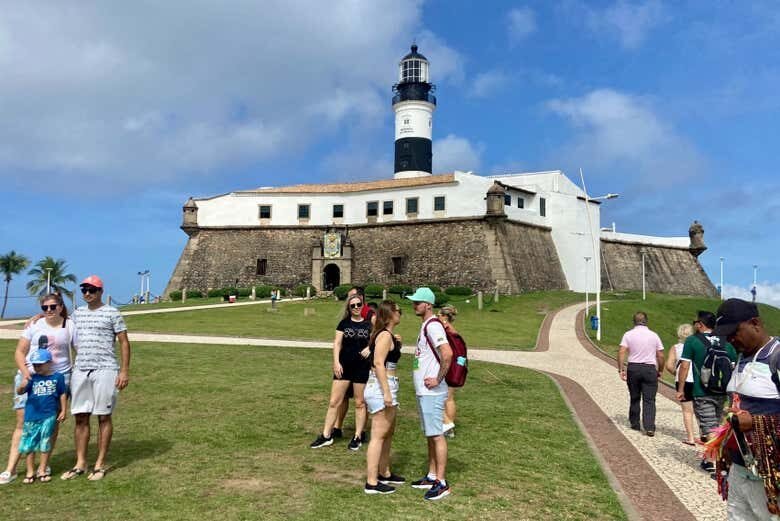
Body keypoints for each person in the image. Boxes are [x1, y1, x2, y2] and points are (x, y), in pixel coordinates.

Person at [711, 298, 780, 519]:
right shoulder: (741, 358)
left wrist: (757, 422)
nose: (730, 339)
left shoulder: (776, 357)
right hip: (741, 470)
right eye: (726, 335)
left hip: (772, 476)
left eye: (734, 332)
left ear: (755, 323)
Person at [0, 293, 76, 485]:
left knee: (51, 423)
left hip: (57, 378)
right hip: (30, 376)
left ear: (60, 306)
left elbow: (79, 348)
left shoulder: (70, 324)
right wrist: (26, 373)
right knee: (22, 422)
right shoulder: (35, 325)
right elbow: (19, 351)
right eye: (45, 308)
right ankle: (11, 468)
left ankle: (43, 466)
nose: (49, 310)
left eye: (52, 306)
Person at [61, 275, 131, 481]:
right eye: (84, 290)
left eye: (92, 290)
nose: (87, 294)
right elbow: (59, 323)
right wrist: (36, 318)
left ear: (100, 292)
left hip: (106, 369)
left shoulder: (112, 312)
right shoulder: (77, 314)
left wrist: (124, 371)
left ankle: (100, 463)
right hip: (81, 370)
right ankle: (80, 463)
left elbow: (124, 342)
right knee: (80, 417)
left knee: (103, 416)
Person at [677, 310, 737, 473]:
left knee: (709, 428)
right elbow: (733, 367)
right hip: (722, 392)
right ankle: (708, 457)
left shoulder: (692, 341)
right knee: (714, 426)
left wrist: (681, 389)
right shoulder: (727, 343)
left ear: (700, 324)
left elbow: (684, 365)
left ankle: (716, 463)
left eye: (695, 321)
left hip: (702, 391)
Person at [407, 287, 453, 501]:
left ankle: (441, 482)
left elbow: (447, 354)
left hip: (432, 391)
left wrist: (438, 379)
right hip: (424, 391)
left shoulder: (433, 326)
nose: (414, 305)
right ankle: (432, 474)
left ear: (428, 305)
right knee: (430, 435)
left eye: (417, 302)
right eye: (413, 302)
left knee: (436, 435)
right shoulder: (426, 325)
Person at [310, 293, 371, 450]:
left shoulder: (368, 325)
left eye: (359, 304)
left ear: (363, 305)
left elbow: (377, 339)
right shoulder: (343, 324)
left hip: (362, 368)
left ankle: (357, 436)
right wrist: (336, 362)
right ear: (349, 308)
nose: (356, 307)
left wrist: (369, 348)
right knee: (334, 402)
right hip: (344, 366)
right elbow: (337, 343)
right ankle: (326, 435)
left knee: (359, 402)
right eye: (353, 306)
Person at [363, 300, 405, 494]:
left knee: (388, 432)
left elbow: (387, 358)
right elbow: (379, 363)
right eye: (399, 311)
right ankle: (371, 481)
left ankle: (384, 472)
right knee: (378, 435)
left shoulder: (386, 336)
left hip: (387, 385)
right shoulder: (385, 336)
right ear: (389, 314)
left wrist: (397, 345)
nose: (401, 314)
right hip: (381, 387)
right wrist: (386, 391)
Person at [16, 349, 67, 484]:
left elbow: (62, 393)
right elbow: (20, 391)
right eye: (35, 365)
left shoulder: (58, 377)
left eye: (40, 364)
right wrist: (22, 386)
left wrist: (63, 410)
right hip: (32, 416)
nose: (37, 367)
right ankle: (30, 471)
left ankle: (43, 469)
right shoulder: (32, 378)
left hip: (49, 415)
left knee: (45, 442)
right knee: (29, 444)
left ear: (49, 363)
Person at [617, 311, 664, 437]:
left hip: (634, 368)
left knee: (634, 396)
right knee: (649, 399)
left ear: (634, 321)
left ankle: (635, 423)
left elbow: (622, 351)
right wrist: (660, 370)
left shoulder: (628, 334)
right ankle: (649, 427)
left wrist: (621, 369)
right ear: (646, 321)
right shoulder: (654, 335)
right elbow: (660, 355)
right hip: (649, 368)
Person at [665, 323, 697, 445]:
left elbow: (669, 365)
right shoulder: (697, 346)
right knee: (700, 409)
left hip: (683, 381)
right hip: (697, 380)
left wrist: (676, 373)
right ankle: (705, 436)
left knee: (687, 411)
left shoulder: (675, 348)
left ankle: (691, 437)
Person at [438, 305, 460, 438]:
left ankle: (448, 425)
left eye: (439, 315)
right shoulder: (453, 330)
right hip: (456, 365)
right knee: (450, 398)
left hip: (448, 365)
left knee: (445, 398)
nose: (437, 317)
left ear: (445, 317)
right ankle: (449, 424)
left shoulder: (445, 328)